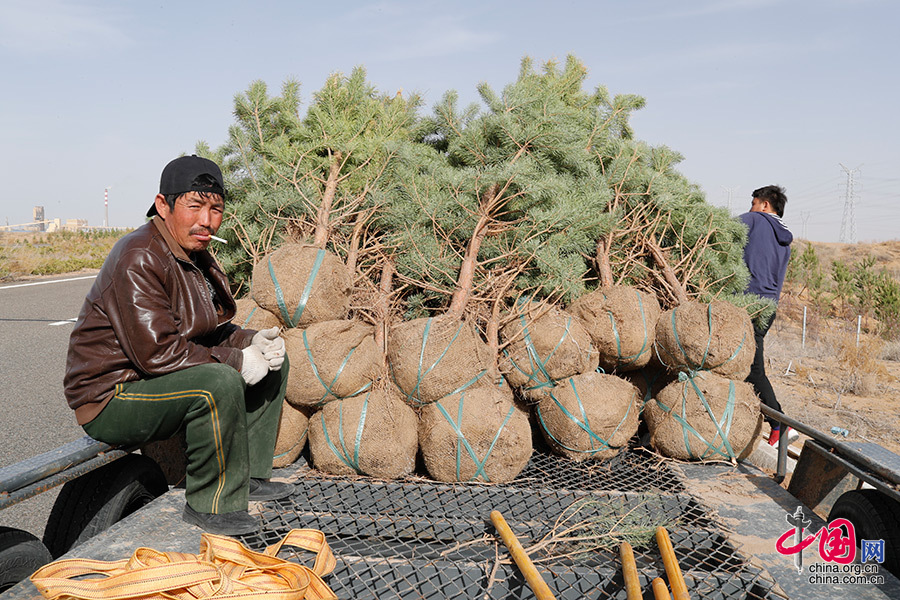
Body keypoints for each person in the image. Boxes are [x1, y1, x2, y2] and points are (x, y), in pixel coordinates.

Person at [64, 155, 292, 535]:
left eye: (216, 208)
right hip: (112, 395)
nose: (207, 220)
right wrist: (237, 361)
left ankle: (245, 476)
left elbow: (206, 329)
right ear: (163, 205)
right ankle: (210, 503)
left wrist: (253, 341)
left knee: (271, 360)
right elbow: (157, 353)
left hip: (153, 379)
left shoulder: (191, 253)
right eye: (195, 206)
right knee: (218, 382)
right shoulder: (139, 256)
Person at [740, 185, 795, 446]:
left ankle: (779, 422)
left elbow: (717, 230)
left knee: (752, 366)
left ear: (764, 205)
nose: (750, 207)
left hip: (747, 302)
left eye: (753, 202)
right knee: (745, 364)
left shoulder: (753, 220)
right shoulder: (784, 239)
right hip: (769, 306)